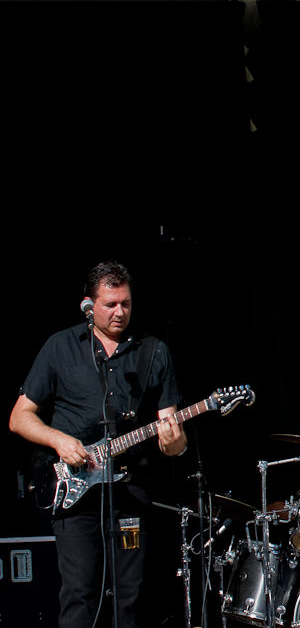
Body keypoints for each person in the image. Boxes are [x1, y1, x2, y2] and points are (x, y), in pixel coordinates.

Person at [9, 261, 186, 628]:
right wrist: (58, 439)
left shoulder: (153, 351)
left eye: (126, 303)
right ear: (88, 305)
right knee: (80, 593)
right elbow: (19, 417)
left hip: (131, 490)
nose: (119, 312)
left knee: (130, 595)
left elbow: (171, 436)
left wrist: (175, 442)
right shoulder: (60, 347)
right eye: (110, 304)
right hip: (75, 490)